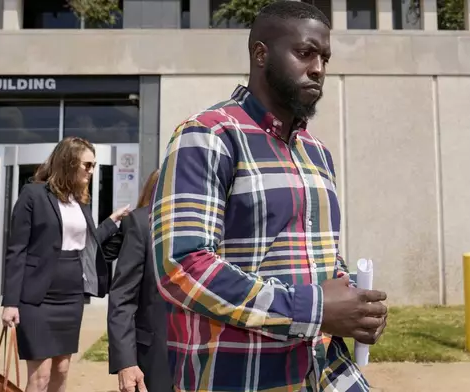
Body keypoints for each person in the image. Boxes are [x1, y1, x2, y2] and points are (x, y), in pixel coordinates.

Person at [151, 2, 388, 392]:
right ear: (261, 54)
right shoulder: (209, 136)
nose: (319, 68)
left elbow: (319, 257)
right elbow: (182, 267)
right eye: (305, 52)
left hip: (324, 373)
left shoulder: (316, 152)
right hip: (240, 375)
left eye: (325, 57)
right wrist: (312, 308)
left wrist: (356, 304)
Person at [1, 136, 130, 392]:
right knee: (40, 376)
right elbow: (17, 250)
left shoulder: (78, 201)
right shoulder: (33, 195)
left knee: (62, 368)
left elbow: (86, 241)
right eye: (87, 165)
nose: (91, 171)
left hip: (71, 297)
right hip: (37, 297)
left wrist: (112, 222)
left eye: (93, 165)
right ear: (69, 163)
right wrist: (10, 302)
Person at [107, 169, 173, 392]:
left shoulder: (219, 224)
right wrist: (126, 361)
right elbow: (122, 297)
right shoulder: (142, 223)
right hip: (156, 358)